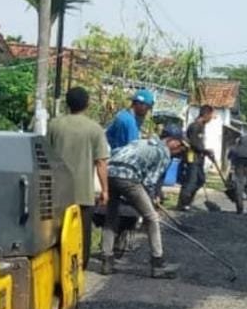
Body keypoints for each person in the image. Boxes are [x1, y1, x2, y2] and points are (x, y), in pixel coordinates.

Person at [100, 127, 188, 278]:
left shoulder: (140, 142)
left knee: (111, 217)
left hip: (111, 173)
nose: (179, 150)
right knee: (152, 218)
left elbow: (115, 153)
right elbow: (150, 182)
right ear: (172, 141)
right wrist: (152, 199)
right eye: (180, 145)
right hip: (128, 177)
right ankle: (158, 264)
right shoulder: (163, 152)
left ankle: (107, 261)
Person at [48, 87, 110, 269]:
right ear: (87, 104)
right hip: (83, 193)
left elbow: (45, 155)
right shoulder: (94, 129)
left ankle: (58, 268)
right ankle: (80, 268)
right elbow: (101, 162)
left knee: (56, 233)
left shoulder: (54, 125)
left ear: (67, 103)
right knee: (82, 235)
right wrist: (105, 190)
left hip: (57, 193)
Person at [177, 105, 216, 211]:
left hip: (199, 157)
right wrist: (206, 151)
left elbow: (200, 143)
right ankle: (183, 203)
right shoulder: (195, 126)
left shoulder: (202, 126)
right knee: (191, 181)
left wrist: (205, 152)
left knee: (201, 180)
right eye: (211, 116)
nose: (211, 118)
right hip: (192, 157)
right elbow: (194, 144)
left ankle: (188, 201)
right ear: (206, 114)